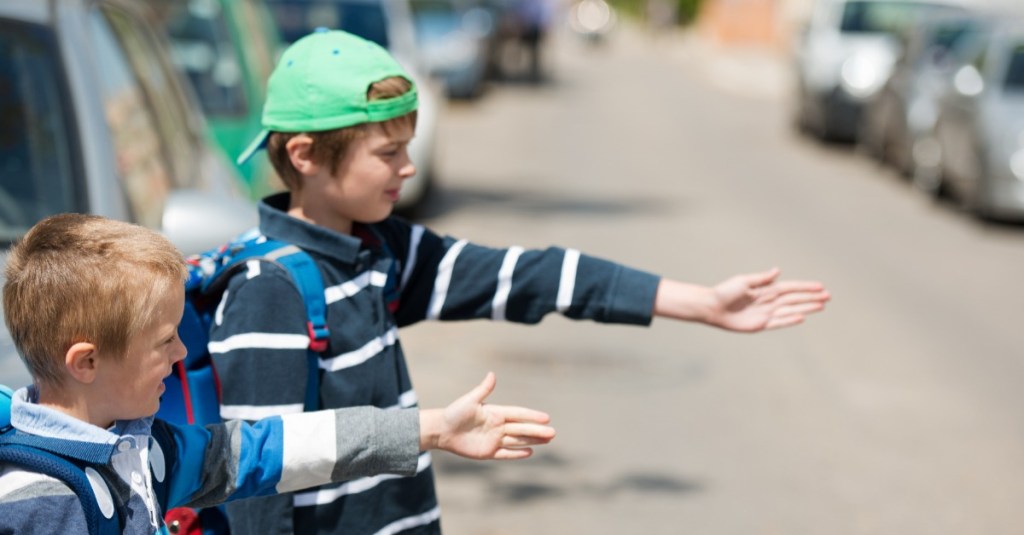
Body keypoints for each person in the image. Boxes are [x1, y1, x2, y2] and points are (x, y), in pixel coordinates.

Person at [219, 28, 831, 534]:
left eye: (408, 146)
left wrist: (700, 303)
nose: (408, 167)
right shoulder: (270, 289)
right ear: (304, 155)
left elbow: (528, 277)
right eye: (387, 153)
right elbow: (255, 478)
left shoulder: (380, 249)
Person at [0, 213, 556, 535]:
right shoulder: (40, 498)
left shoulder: (139, 448)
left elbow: (273, 448)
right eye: (164, 340)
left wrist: (429, 429)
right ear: (87, 362)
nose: (181, 354)